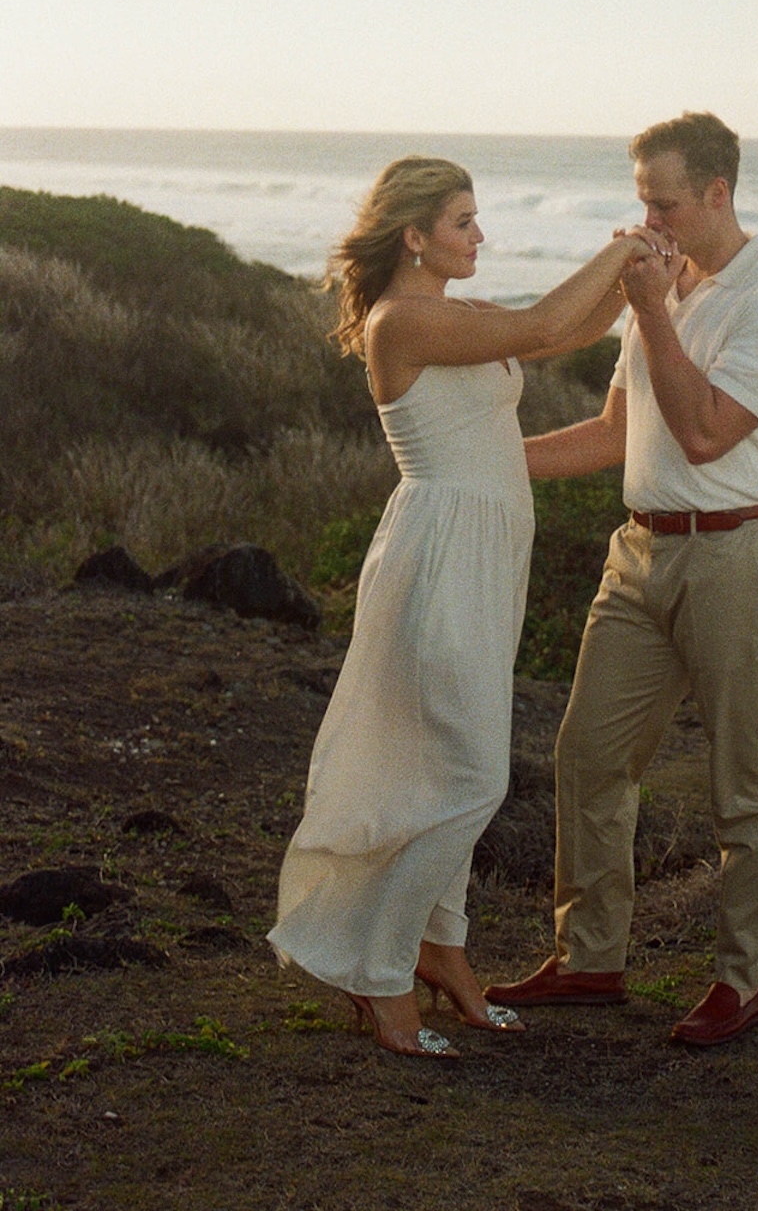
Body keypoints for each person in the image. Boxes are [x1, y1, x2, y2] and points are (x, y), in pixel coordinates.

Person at [268, 155, 663, 1057]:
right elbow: (547, 318)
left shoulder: (457, 315)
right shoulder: (401, 321)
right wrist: (626, 250)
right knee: (471, 773)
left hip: (485, 558)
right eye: (462, 221)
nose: (479, 235)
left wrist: (635, 273)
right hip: (439, 556)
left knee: (454, 757)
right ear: (413, 235)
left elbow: (564, 333)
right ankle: (381, 979)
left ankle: (443, 951)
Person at [486, 113, 758, 1047]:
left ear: (717, 194)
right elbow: (612, 432)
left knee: (745, 781)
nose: (646, 219)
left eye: (662, 201)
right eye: (641, 198)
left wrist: (648, 310)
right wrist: (477, 458)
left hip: (738, 555)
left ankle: (740, 981)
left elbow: (706, 433)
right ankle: (590, 958)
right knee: (589, 758)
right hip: (639, 553)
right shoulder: (668, 290)